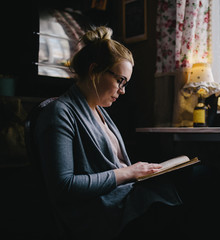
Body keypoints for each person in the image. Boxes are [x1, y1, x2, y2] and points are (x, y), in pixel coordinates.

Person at [35, 26, 183, 239]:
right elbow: (64, 186)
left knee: (197, 177)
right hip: (100, 212)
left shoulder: (99, 111)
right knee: (192, 191)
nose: (122, 90)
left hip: (123, 197)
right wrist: (129, 172)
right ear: (95, 70)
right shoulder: (60, 112)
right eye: (120, 81)